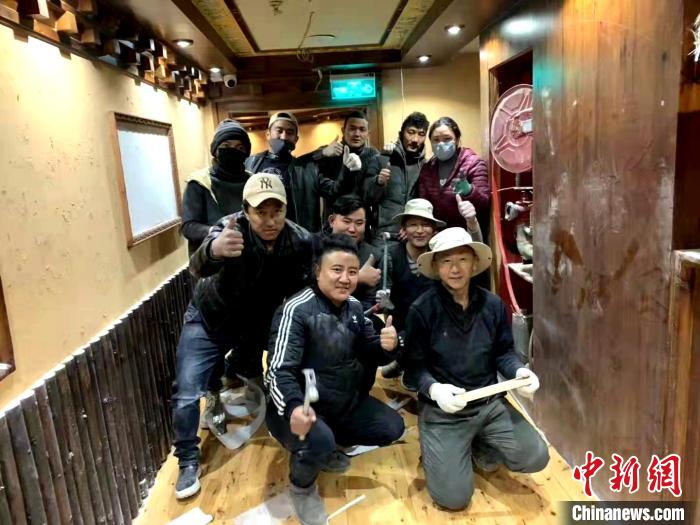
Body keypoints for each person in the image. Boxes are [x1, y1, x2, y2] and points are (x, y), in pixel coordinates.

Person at [171, 174, 313, 500]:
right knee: (187, 390)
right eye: (261, 212)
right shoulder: (229, 228)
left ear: (286, 210)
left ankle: (245, 382)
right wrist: (214, 250)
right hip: (210, 316)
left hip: (256, 321)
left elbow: (304, 291)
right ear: (246, 210)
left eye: (277, 211)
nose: (270, 220)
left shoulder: (300, 240)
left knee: (281, 364)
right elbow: (196, 267)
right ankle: (188, 460)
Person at [403, 227, 548, 510]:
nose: (455, 268)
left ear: (473, 263)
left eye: (462, 259)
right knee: (454, 498)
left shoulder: (493, 305)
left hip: (489, 405)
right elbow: (414, 369)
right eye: (446, 261)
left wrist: (518, 371)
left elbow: (503, 353)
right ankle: (440, 447)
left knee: (536, 456)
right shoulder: (422, 310)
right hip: (444, 413)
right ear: (436, 267)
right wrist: (435, 389)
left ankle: (480, 442)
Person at [265, 234, 405, 525]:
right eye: (336, 270)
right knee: (318, 439)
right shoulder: (296, 309)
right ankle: (301, 487)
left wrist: (388, 346)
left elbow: (372, 351)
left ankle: (325, 445)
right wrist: (292, 408)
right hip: (299, 409)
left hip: (341, 401)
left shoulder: (354, 307)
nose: (345, 279)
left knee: (392, 427)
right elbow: (278, 371)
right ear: (318, 271)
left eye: (352, 271)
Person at [245, 111, 345, 232]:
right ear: (268, 134)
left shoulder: (308, 170)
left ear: (296, 139)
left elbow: (335, 190)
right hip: (259, 236)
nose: (284, 137)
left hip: (298, 238)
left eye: (290, 132)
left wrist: (348, 169)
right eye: (279, 130)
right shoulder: (250, 164)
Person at [180, 119, 251, 256]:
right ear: (215, 150)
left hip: (249, 258)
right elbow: (188, 227)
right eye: (226, 145)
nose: (233, 151)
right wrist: (216, 232)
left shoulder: (252, 181)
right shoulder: (199, 182)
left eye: (239, 147)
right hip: (211, 260)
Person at [417, 117, 490, 236]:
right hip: (438, 235)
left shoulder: (473, 163)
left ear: (457, 140)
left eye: (447, 139)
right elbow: (424, 205)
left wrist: (469, 191)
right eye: (436, 140)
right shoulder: (427, 169)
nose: (441, 144)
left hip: (468, 234)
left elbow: (484, 203)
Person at [363, 112, 430, 242]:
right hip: (384, 236)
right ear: (401, 133)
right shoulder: (381, 160)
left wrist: (411, 228)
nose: (415, 139)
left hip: (416, 236)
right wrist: (378, 182)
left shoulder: (427, 166)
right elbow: (366, 198)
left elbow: (428, 206)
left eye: (421, 134)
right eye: (411, 132)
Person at [313, 110, 381, 230]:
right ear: (343, 130)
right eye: (352, 128)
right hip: (333, 222)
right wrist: (322, 153)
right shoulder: (330, 152)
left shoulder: (373, 155)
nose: (357, 134)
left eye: (362, 130)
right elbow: (304, 164)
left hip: (361, 224)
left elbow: (372, 195)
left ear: (368, 133)